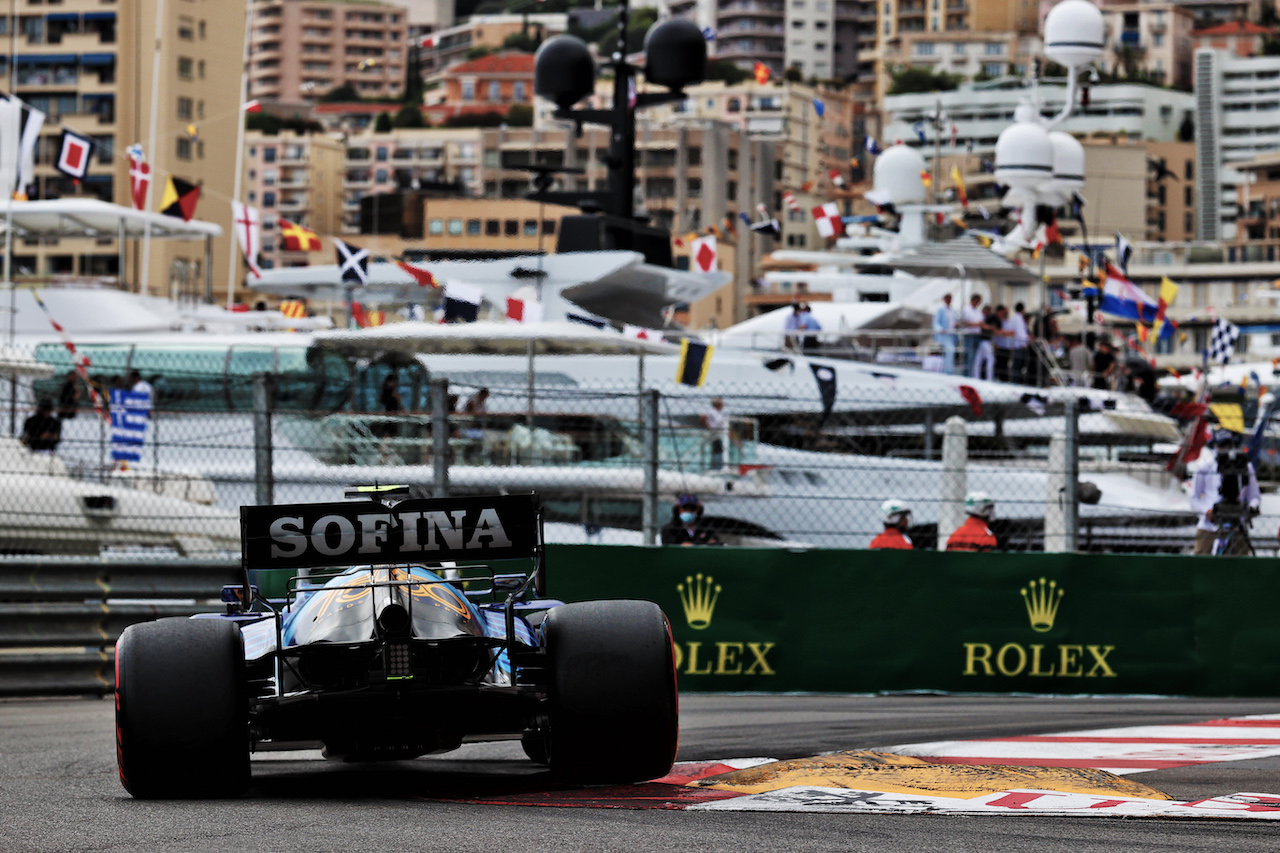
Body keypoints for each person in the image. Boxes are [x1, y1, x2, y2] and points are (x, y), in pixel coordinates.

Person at [1189, 429, 1261, 555]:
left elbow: (1254, 496)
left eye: (1228, 445)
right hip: (1209, 526)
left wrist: (1250, 508)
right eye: (1222, 446)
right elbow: (1193, 498)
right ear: (1216, 446)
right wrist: (1207, 511)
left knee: (1241, 565)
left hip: (1237, 524)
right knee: (1201, 563)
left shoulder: (1244, 466)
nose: (1226, 449)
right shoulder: (1205, 467)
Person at [700, 397, 736, 470]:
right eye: (721, 404)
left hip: (719, 434)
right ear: (717, 404)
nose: (722, 406)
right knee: (717, 450)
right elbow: (703, 417)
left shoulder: (718, 413)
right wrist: (709, 427)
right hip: (714, 433)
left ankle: (717, 466)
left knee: (719, 449)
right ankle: (715, 467)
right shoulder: (712, 412)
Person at [971, 305, 998, 382]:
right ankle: (989, 378)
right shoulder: (981, 316)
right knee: (990, 359)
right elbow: (982, 325)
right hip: (984, 341)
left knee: (978, 360)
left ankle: (976, 377)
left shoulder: (985, 318)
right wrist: (990, 328)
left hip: (984, 341)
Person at [932, 294, 957, 375]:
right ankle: (948, 371)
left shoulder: (953, 310)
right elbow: (935, 323)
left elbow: (954, 322)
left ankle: (949, 369)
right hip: (943, 335)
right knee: (950, 350)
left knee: (951, 351)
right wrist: (940, 330)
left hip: (951, 335)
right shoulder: (941, 310)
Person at [961, 294, 985, 376]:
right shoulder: (966, 309)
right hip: (969, 335)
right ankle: (967, 375)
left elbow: (981, 323)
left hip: (977, 335)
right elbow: (966, 323)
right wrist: (977, 324)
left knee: (975, 358)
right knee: (969, 356)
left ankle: (972, 375)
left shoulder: (978, 311)